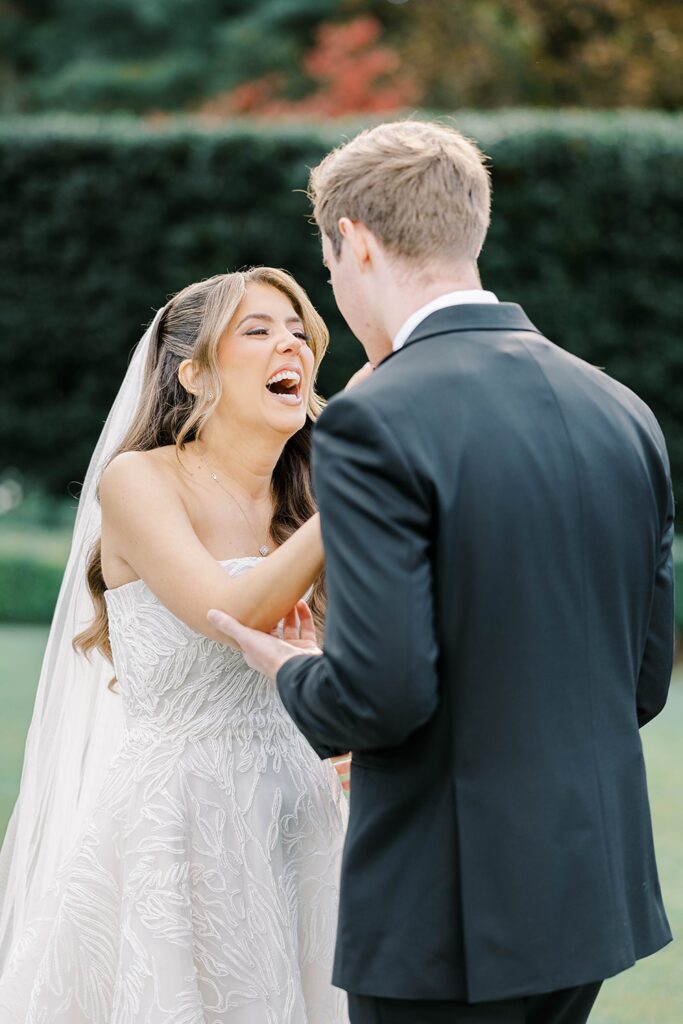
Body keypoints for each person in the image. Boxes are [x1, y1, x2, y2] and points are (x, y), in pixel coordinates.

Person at [210, 120, 675, 1024]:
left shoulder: (373, 418)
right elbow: (642, 680)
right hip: (587, 893)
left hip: (446, 909)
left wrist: (293, 674)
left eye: (331, 268)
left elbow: (381, 694)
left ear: (355, 242)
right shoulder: (622, 410)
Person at [0, 267, 353, 1023]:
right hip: (179, 824)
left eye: (297, 330)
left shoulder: (316, 489)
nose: (288, 343)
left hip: (307, 813)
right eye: (256, 331)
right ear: (192, 374)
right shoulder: (137, 482)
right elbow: (227, 611)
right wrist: (360, 497)